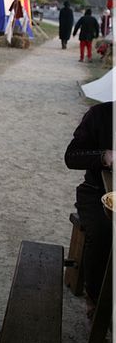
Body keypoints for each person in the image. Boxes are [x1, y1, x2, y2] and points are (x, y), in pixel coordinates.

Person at [64, 102, 113, 319]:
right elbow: (72, 157)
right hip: (95, 192)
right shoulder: (101, 114)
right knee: (104, 233)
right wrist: (104, 156)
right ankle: (96, 297)